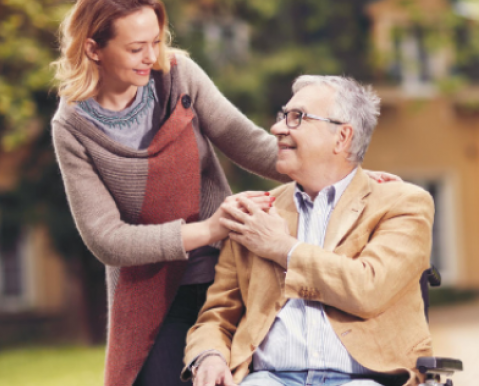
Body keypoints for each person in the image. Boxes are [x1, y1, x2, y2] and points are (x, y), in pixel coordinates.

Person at [50, 1, 396, 386]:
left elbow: (246, 141)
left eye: (156, 40)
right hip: (151, 290)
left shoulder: (176, 76)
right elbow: (106, 239)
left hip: (225, 275)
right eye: (135, 48)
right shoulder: (72, 128)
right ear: (93, 48)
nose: (151, 56)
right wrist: (211, 228)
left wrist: (341, 173)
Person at [183, 75, 435, 386]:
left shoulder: (404, 203)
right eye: (281, 116)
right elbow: (217, 317)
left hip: (364, 380)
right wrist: (209, 355)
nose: (277, 129)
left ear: (342, 137)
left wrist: (281, 247)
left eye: (297, 118)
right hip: (269, 378)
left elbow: (368, 289)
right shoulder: (255, 211)